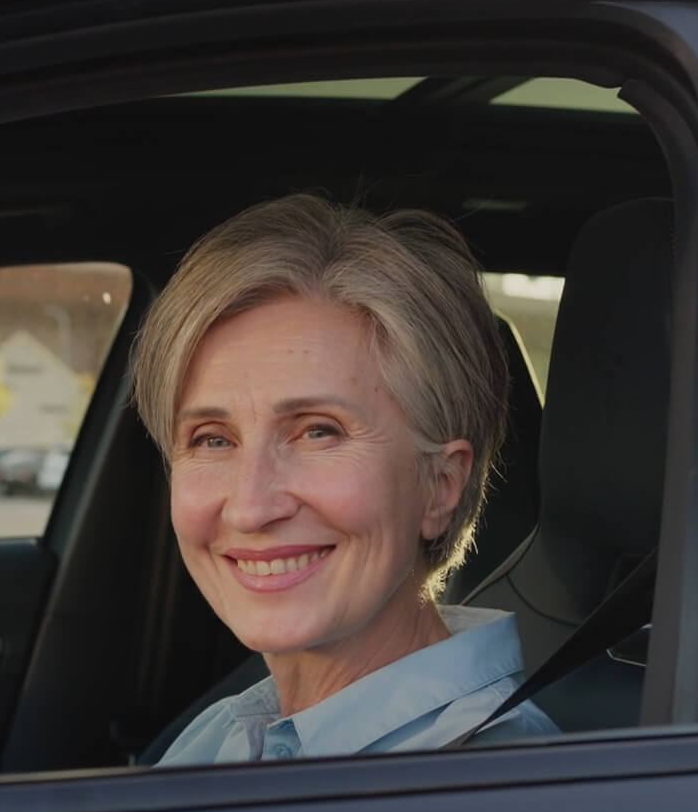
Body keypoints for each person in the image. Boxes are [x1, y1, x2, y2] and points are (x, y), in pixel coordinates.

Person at [132, 195, 557, 764]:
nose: (251, 508)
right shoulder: (220, 735)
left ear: (440, 485)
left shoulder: (493, 785)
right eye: (213, 439)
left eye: (318, 433)